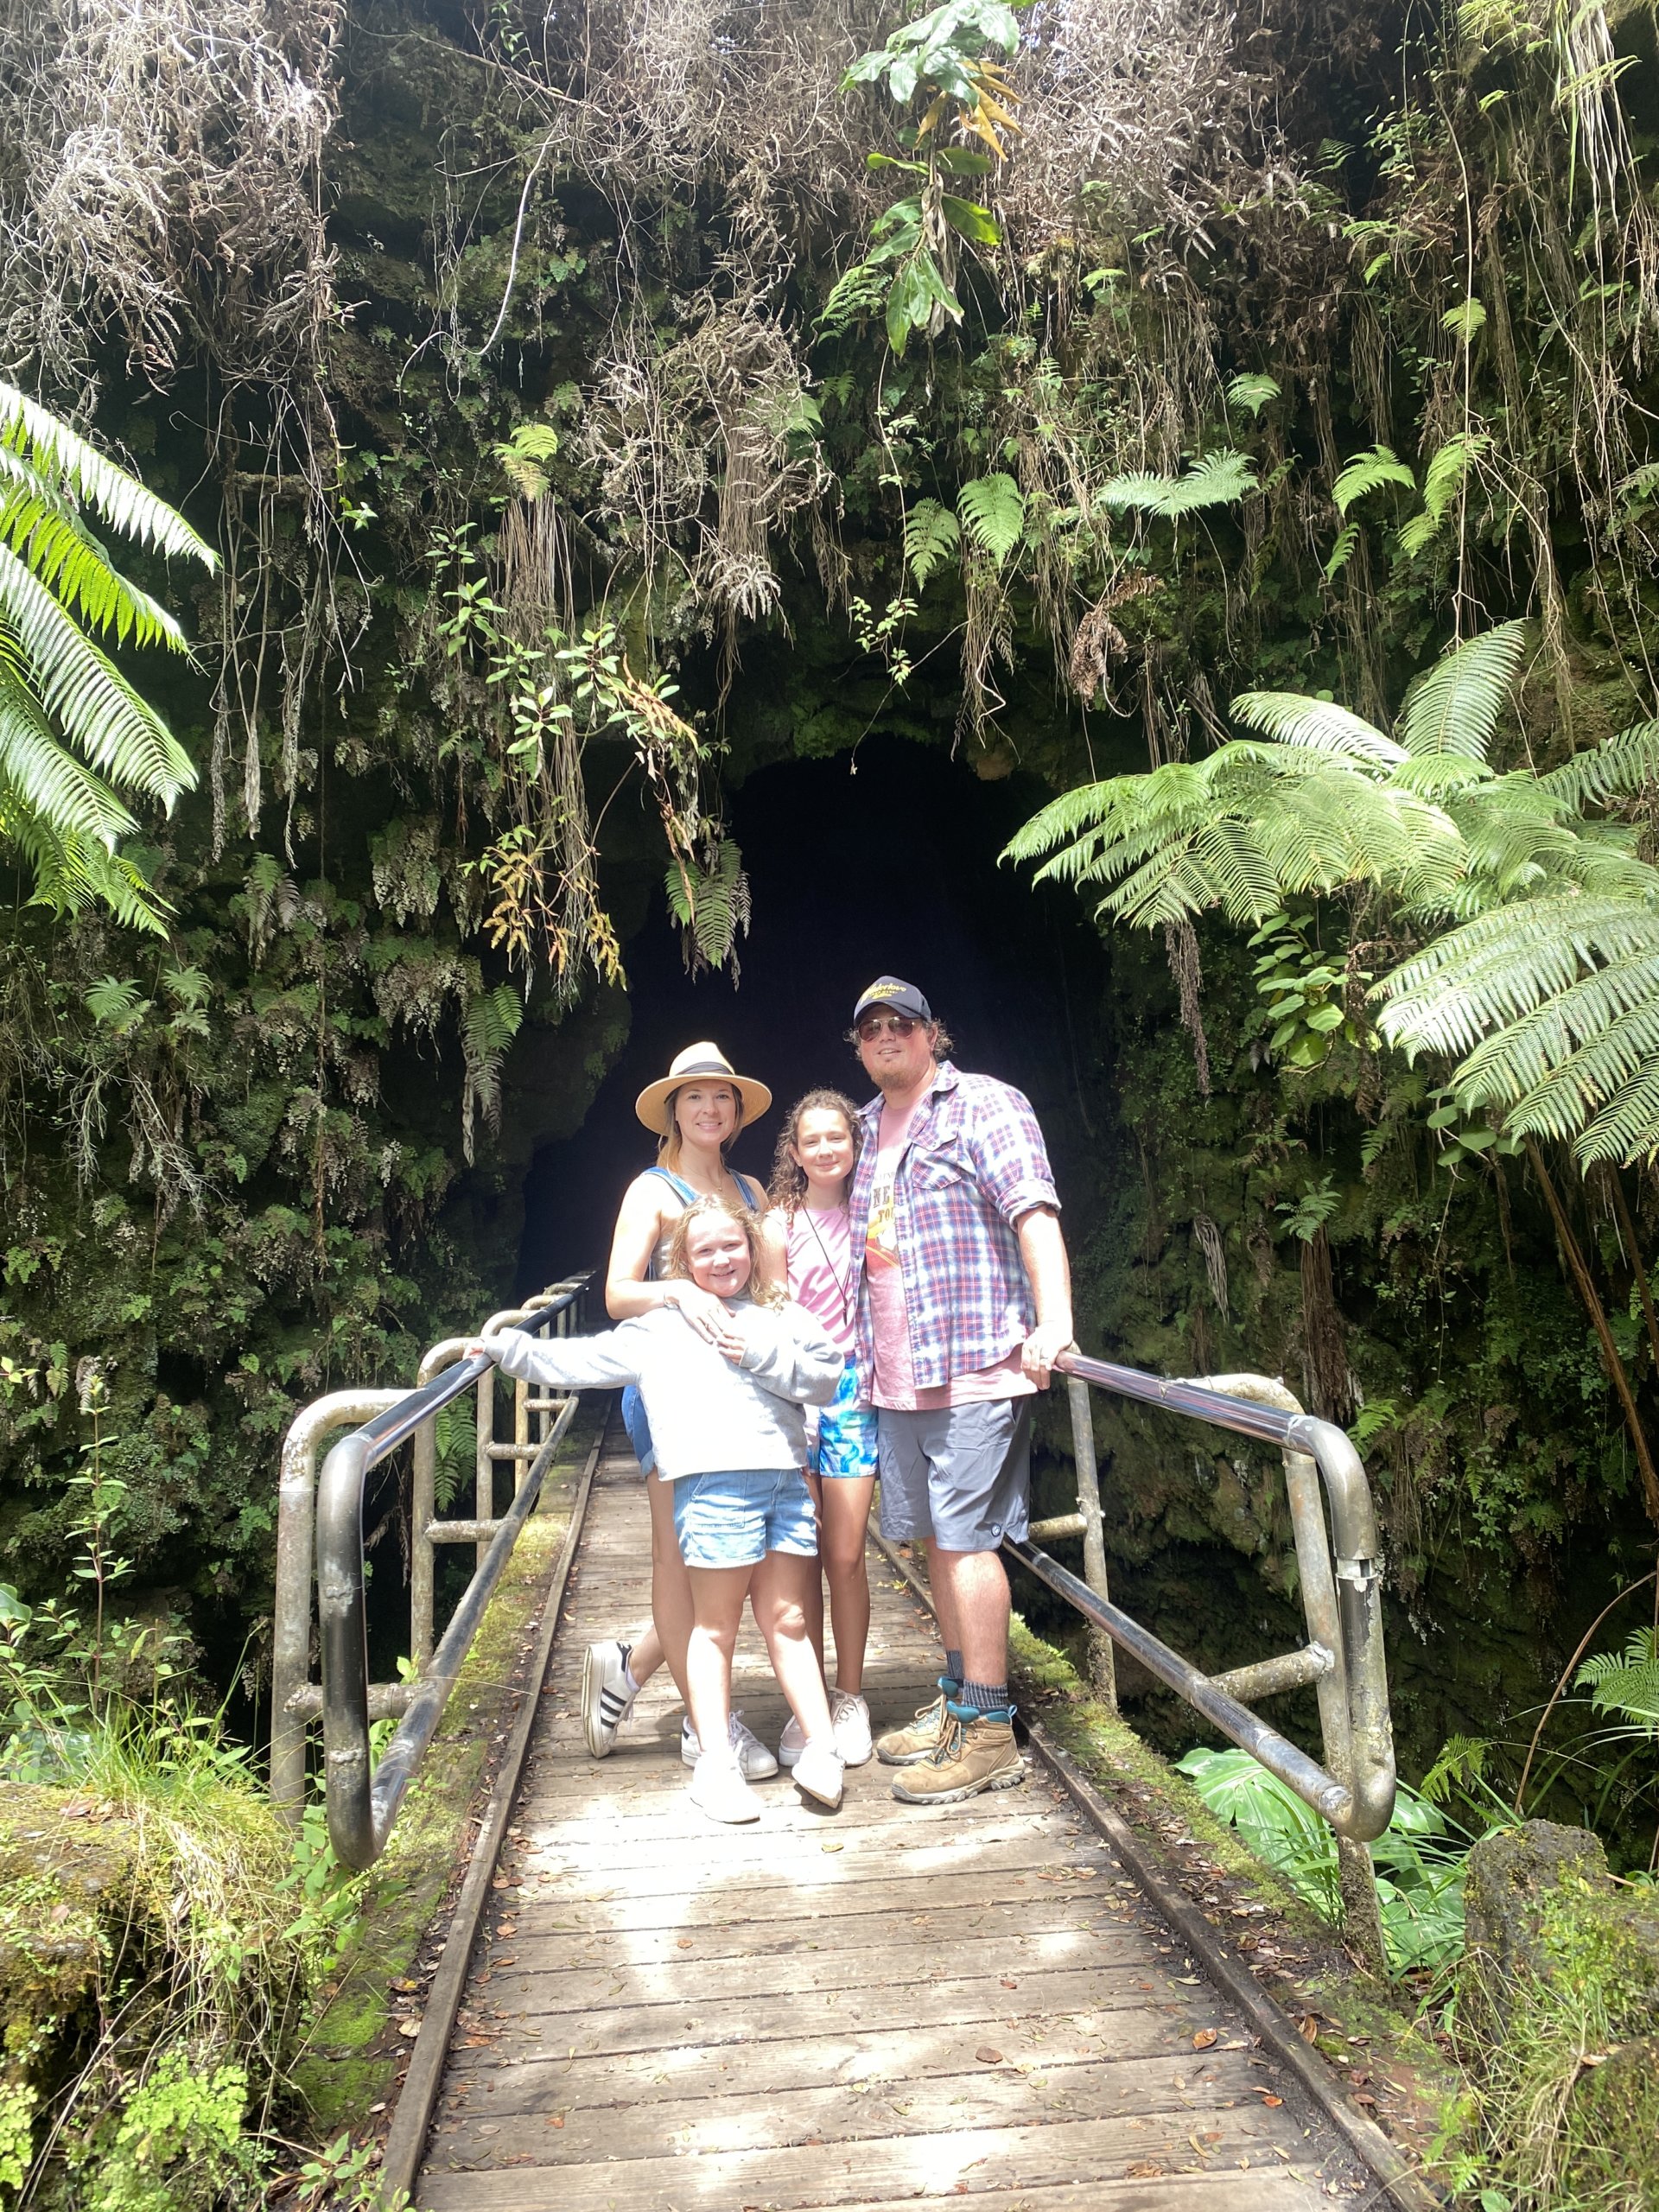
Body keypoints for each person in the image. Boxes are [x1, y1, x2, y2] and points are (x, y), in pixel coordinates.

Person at [467, 1197, 846, 1822]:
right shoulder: (660, 1328)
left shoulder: (781, 1315)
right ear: (682, 1262)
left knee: (790, 1619)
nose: (722, 1258)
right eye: (705, 1250)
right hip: (711, 1486)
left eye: (733, 1245)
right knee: (715, 1628)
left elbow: (826, 1379)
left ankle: (822, 1748)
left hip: (783, 1483)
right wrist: (509, 1349)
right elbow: (581, 1362)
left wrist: (755, 1353)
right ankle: (716, 1765)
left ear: (752, 1247)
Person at [845, 976, 1076, 1806]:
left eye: (900, 1023)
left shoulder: (984, 1104)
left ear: (931, 1032)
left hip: (975, 1364)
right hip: (898, 1376)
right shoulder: (866, 1130)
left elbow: (1033, 1211)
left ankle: (988, 1732)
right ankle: (956, 1703)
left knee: (968, 1539)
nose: (885, 1037)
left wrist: (1054, 1322)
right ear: (860, 1045)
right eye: (870, 1028)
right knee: (938, 1543)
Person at [582, 1044, 774, 1778]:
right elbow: (616, 1293)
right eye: (694, 1098)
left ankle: (628, 1667)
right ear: (674, 1111)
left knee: (740, 1555)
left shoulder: (752, 1189)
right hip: (667, 1390)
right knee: (679, 1552)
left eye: (720, 1096)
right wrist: (683, 1293)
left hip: (744, 1391)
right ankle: (705, 1725)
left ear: (735, 1109)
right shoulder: (652, 1190)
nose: (709, 1109)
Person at [760, 1090, 879, 1770]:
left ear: (854, 1144)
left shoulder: (873, 1216)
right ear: (796, 1152)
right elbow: (775, 1319)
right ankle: (808, 1710)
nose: (828, 1149)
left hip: (858, 1395)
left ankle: (851, 1696)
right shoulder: (778, 1226)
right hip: (799, 1395)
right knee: (799, 1556)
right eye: (814, 1140)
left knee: (845, 1554)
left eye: (839, 1137)